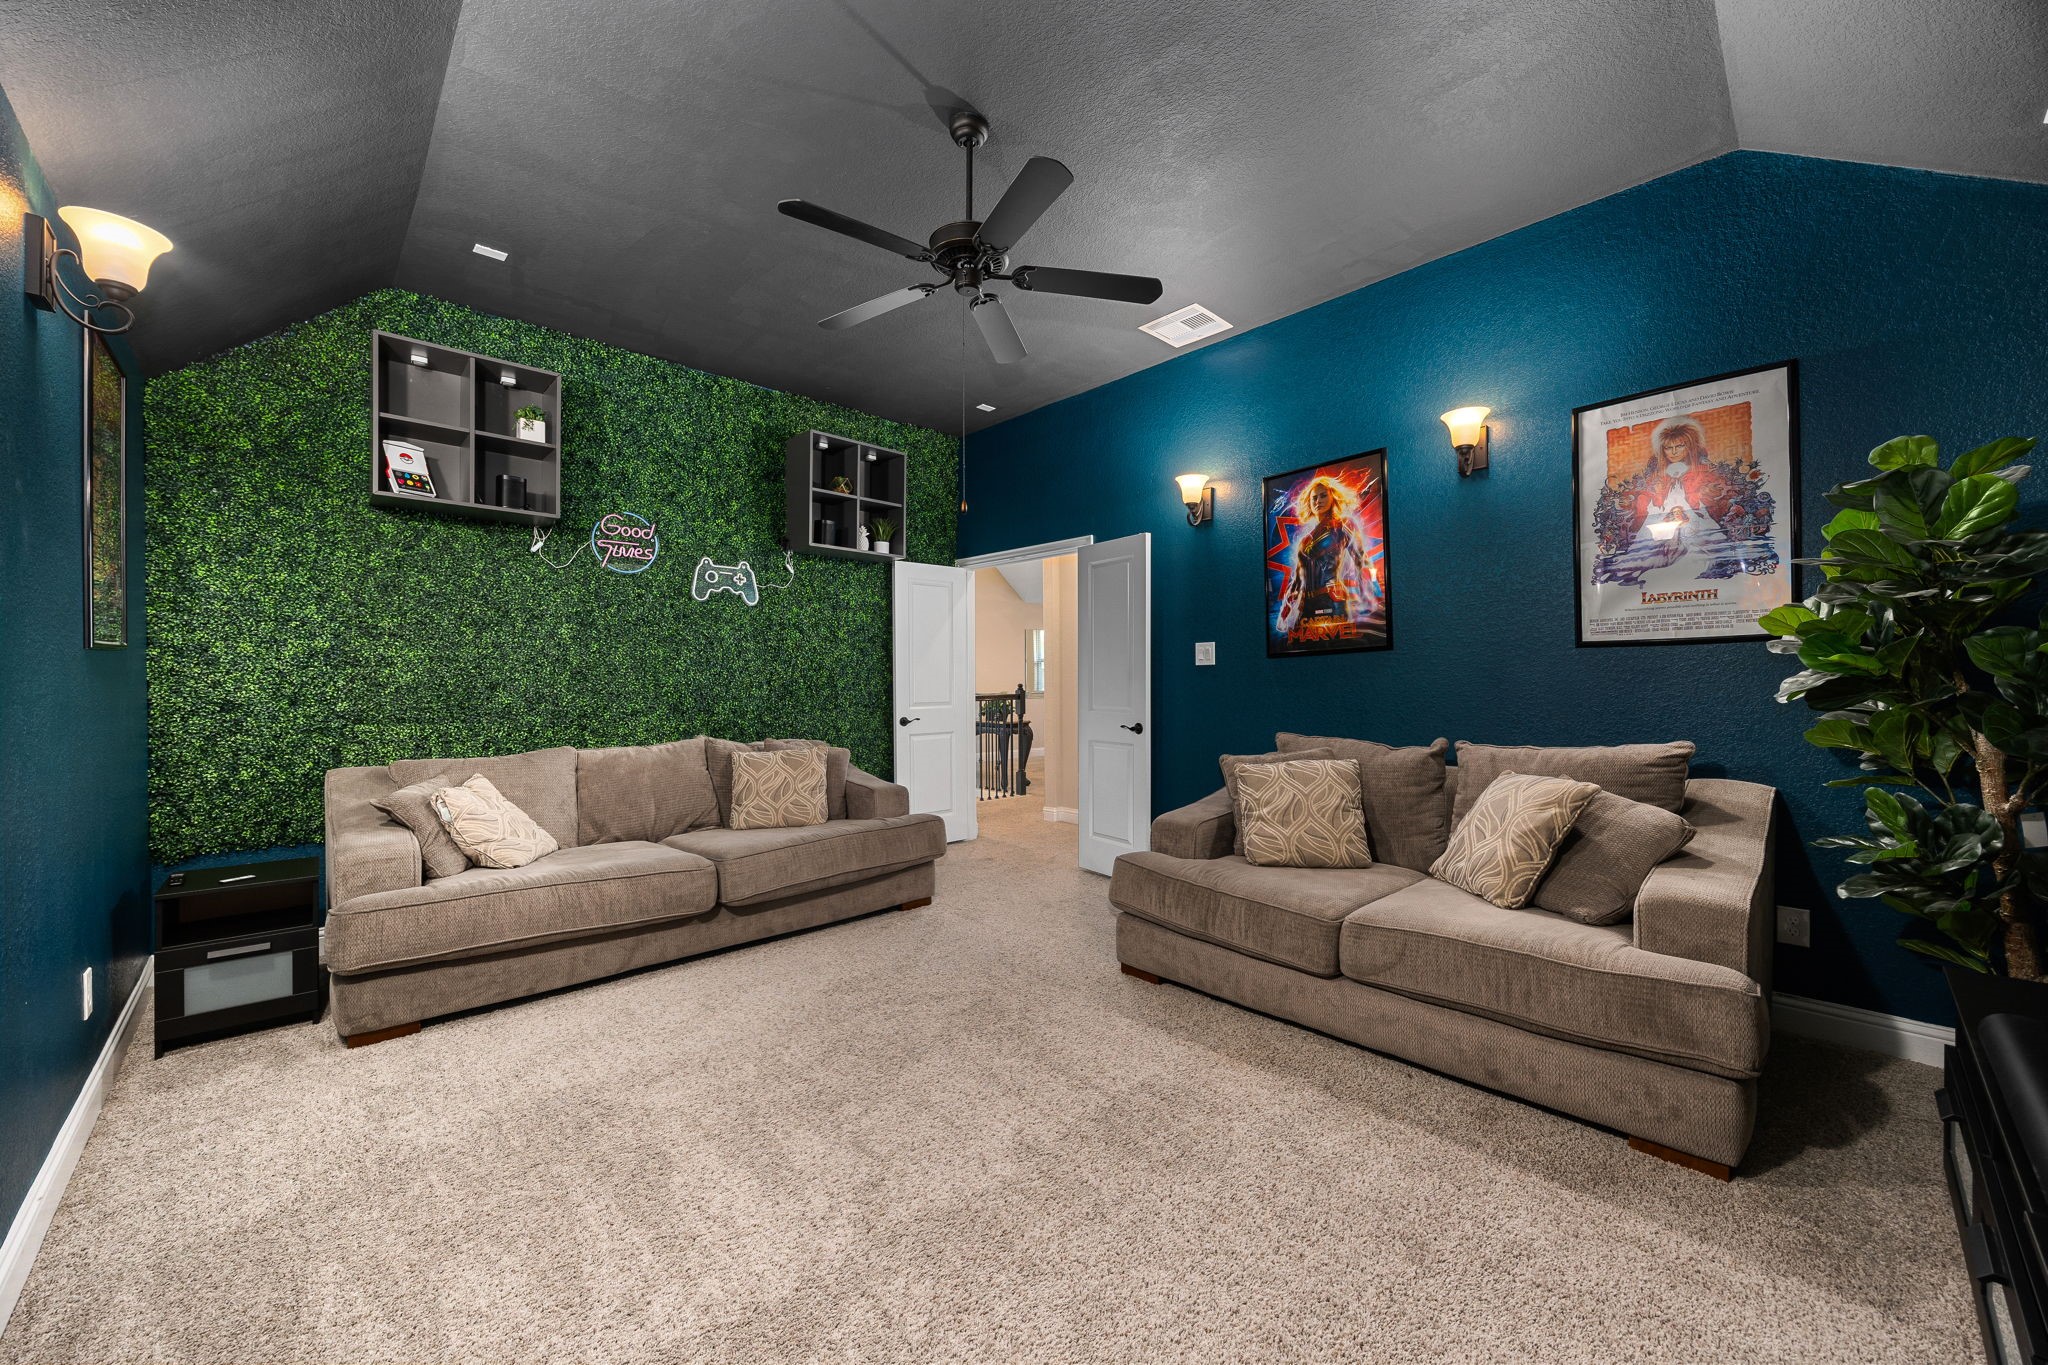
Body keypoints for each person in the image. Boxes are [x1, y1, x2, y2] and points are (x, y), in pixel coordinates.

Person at [1277, 476, 1377, 637]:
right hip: (1305, 605)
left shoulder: (1343, 524)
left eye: (1323, 495)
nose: (1318, 501)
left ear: (1333, 497)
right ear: (1309, 503)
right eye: (1314, 498)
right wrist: (1286, 610)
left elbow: (1361, 559)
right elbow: (1296, 579)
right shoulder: (1305, 540)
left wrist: (1368, 596)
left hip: (1332, 599)